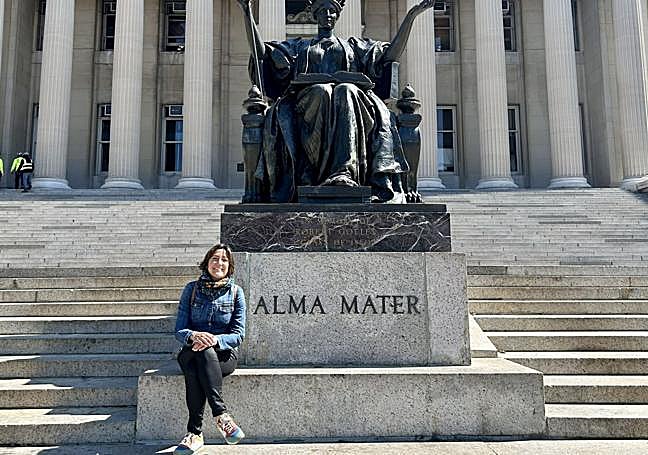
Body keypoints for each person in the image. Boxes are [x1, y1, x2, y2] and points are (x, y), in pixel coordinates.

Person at [237, 0, 434, 203]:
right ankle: (311, 171)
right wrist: (247, 13)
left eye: (332, 11)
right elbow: (262, 55)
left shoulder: (354, 47)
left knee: (345, 90)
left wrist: (411, 17)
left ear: (338, 16)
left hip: (352, 102)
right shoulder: (299, 47)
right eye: (323, 11)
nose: (328, 15)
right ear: (315, 15)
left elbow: (390, 55)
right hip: (307, 102)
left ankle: (344, 172)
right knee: (322, 91)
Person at [174, 244, 246, 454]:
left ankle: (194, 434)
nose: (219, 263)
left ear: (229, 266)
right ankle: (221, 415)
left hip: (223, 355)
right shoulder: (191, 289)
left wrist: (214, 340)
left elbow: (238, 335)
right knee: (200, 352)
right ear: (207, 263)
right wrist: (194, 336)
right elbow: (179, 330)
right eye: (215, 258)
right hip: (191, 350)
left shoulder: (236, 293)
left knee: (198, 364)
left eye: (224, 260)